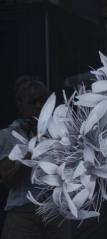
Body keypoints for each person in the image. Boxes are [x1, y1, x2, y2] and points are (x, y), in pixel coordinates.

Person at [0, 76, 69, 239]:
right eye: (32, 101)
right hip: (23, 216)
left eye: (42, 102)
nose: (38, 106)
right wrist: (32, 152)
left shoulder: (58, 135)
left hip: (54, 213)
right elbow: (7, 179)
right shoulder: (7, 136)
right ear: (20, 105)